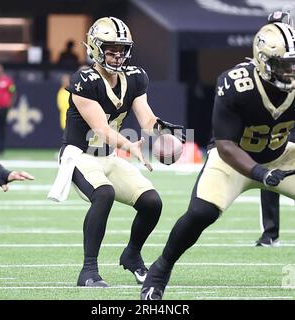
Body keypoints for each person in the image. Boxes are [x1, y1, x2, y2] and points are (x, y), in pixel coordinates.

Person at [141, 19, 295, 299]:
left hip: (281, 155)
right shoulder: (236, 84)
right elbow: (225, 144)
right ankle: (160, 270)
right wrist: (260, 173)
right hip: (234, 159)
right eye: (284, 64)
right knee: (202, 213)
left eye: (294, 63)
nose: (291, 71)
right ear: (263, 62)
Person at [48, 17, 185, 287]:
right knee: (104, 193)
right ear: (96, 48)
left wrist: (161, 132)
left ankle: (132, 255)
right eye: (110, 48)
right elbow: (101, 129)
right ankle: (88, 271)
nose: (117, 54)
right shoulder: (83, 80)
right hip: (80, 156)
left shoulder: (135, 77)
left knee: (151, 202)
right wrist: (131, 146)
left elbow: (146, 119)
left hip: (108, 158)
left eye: (121, 48)